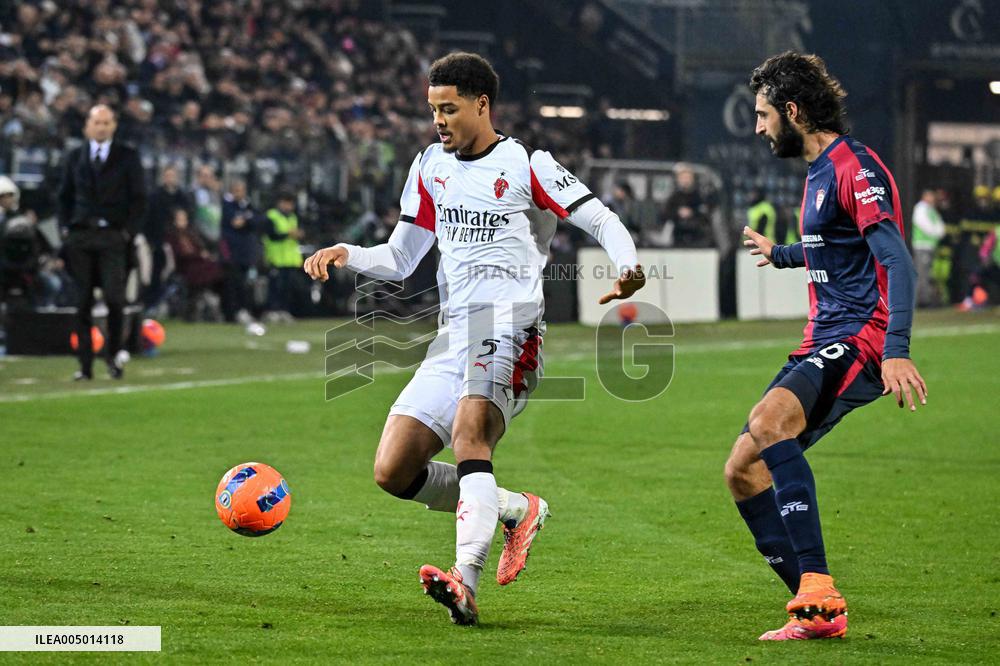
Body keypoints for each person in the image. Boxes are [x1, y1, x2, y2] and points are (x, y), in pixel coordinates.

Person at [303, 53, 644, 625]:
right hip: (452, 337)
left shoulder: (527, 164)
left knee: (469, 436)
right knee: (394, 469)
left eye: (449, 108)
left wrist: (628, 266)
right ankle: (513, 508)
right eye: (433, 109)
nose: (438, 120)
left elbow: (601, 219)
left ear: (482, 104)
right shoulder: (429, 165)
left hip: (509, 326)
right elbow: (401, 257)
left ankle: (465, 579)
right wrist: (347, 253)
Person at [728, 52, 927, 641]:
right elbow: (831, 245)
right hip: (822, 337)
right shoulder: (818, 172)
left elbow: (895, 259)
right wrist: (782, 254)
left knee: (769, 421)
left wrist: (897, 347)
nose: (759, 128)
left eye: (763, 115)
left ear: (793, 111)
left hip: (862, 335)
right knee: (742, 471)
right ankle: (817, 610)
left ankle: (817, 584)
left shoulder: (853, 167)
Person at [58, 104, 147, 380]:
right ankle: (84, 366)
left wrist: (128, 232)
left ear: (114, 126)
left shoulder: (128, 156)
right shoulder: (74, 157)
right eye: (97, 122)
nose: (101, 127)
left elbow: (139, 197)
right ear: (87, 126)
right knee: (82, 302)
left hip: (113, 236)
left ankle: (114, 356)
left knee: (114, 299)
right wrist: (65, 229)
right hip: (81, 236)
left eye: (106, 122)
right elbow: (64, 195)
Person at [144, 165, 191, 312]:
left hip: (177, 243)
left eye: (172, 175)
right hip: (159, 242)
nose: (170, 178)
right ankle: (152, 303)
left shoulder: (183, 197)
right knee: (156, 274)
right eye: (167, 175)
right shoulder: (155, 197)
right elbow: (148, 220)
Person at [219, 179, 259, 323]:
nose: (239, 193)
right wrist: (247, 219)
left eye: (241, 190)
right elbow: (235, 223)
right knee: (233, 283)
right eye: (236, 190)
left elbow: (257, 220)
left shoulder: (248, 205)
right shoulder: (227, 206)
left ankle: (243, 310)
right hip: (231, 252)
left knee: (245, 283)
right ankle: (232, 313)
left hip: (246, 252)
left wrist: (245, 220)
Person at [262, 190, 303, 322]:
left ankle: (284, 310)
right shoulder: (271, 216)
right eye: (286, 202)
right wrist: (288, 234)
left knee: (287, 287)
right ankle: (272, 311)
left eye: (290, 203)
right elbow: (272, 235)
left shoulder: (293, 217)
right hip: (276, 258)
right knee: (275, 286)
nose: (288, 206)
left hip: (290, 259)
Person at [910, 189, 946, 307]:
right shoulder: (921, 208)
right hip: (922, 245)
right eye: (930, 196)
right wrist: (936, 233)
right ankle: (918, 301)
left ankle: (925, 299)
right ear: (924, 196)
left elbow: (940, 226)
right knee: (921, 273)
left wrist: (939, 232)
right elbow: (926, 225)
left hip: (930, 245)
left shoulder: (931, 209)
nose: (932, 198)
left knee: (927, 274)